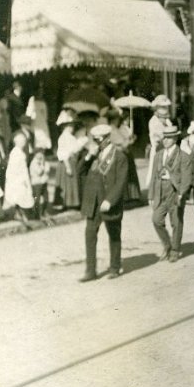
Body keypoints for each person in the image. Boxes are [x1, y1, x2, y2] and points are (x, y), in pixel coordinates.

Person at [78, 124, 129, 281]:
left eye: (99, 140)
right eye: (95, 140)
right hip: (93, 201)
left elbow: (121, 181)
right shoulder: (92, 155)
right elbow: (79, 171)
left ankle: (115, 267)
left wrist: (110, 200)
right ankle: (90, 270)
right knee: (90, 234)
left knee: (113, 234)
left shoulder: (119, 156)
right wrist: (88, 157)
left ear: (107, 138)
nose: (97, 143)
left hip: (107, 201)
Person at [149, 126, 192, 263]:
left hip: (175, 192)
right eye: (164, 137)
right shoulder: (159, 155)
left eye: (169, 137)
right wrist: (151, 195)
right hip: (160, 191)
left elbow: (186, 178)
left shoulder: (183, 156)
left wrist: (181, 193)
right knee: (156, 220)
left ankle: (175, 249)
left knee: (176, 222)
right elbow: (153, 176)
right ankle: (167, 245)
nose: (165, 140)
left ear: (175, 138)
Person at [55, 111, 87, 210]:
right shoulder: (63, 138)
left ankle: (73, 203)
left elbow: (75, 148)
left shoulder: (70, 137)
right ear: (64, 127)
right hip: (66, 163)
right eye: (69, 126)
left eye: (72, 126)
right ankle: (68, 203)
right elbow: (63, 154)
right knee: (68, 183)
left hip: (72, 161)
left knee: (73, 182)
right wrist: (68, 166)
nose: (71, 128)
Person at [3, 132, 35, 225]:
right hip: (18, 179)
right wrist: (22, 180)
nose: (24, 142)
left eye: (24, 140)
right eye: (21, 140)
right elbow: (15, 169)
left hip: (20, 177)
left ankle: (21, 214)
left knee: (21, 196)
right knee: (20, 196)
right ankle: (21, 214)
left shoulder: (19, 152)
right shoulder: (16, 152)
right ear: (16, 142)